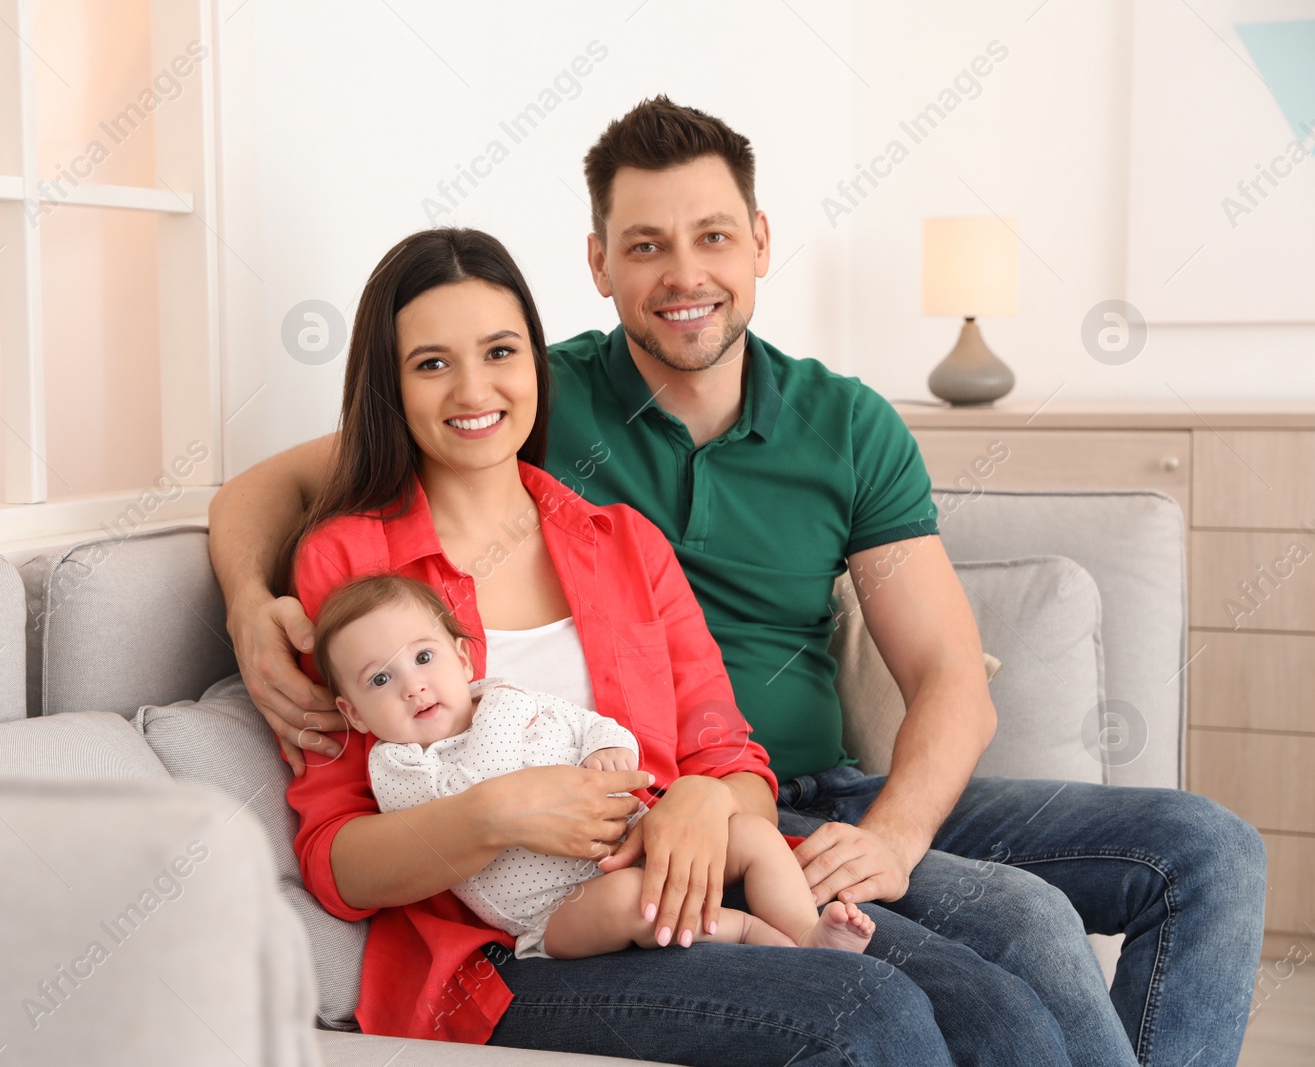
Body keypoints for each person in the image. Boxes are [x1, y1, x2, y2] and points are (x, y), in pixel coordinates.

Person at [211, 97, 1268, 1067]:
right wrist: (251, 603)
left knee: (1167, 871)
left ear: (759, 242)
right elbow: (300, 483)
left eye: (712, 235)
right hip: (556, 914)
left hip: (750, 812)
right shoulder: (506, 432)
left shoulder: (702, 491)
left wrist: (858, 832)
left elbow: (938, 672)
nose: (682, 275)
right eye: (645, 245)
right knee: (966, 965)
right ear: (598, 263)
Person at [244, 223, 1073, 1067]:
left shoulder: (622, 544)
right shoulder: (349, 561)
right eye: (431, 363)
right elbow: (336, 860)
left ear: (536, 361)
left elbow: (729, 752)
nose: (472, 388)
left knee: (991, 1005)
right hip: (522, 951)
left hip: (682, 878)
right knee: (871, 1008)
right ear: (391, 384)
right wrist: (494, 814)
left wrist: (708, 800)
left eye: (500, 351)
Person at [310, 572, 877, 961]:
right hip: (555, 910)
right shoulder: (402, 765)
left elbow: (587, 725)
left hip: (635, 837)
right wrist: (508, 767)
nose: (413, 685)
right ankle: (753, 933)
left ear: (462, 657)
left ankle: (807, 930)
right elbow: (453, 814)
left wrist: (607, 752)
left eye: (424, 657)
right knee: (636, 905)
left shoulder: (510, 696)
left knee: (752, 833)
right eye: (380, 680)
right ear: (353, 713)